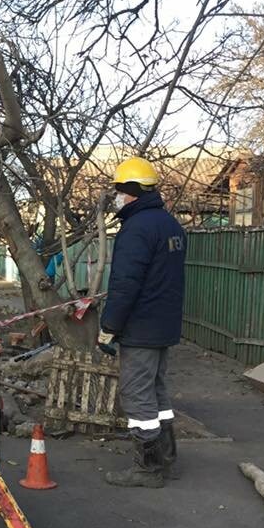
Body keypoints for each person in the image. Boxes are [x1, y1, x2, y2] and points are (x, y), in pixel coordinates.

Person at [98, 157, 186, 488]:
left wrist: (110, 327)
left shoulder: (136, 229)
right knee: (157, 393)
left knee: (137, 397)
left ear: (132, 192)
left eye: (119, 190)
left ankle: (147, 469)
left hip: (141, 328)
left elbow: (125, 285)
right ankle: (166, 458)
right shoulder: (170, 225)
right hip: (164, 326)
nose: (116, 196)